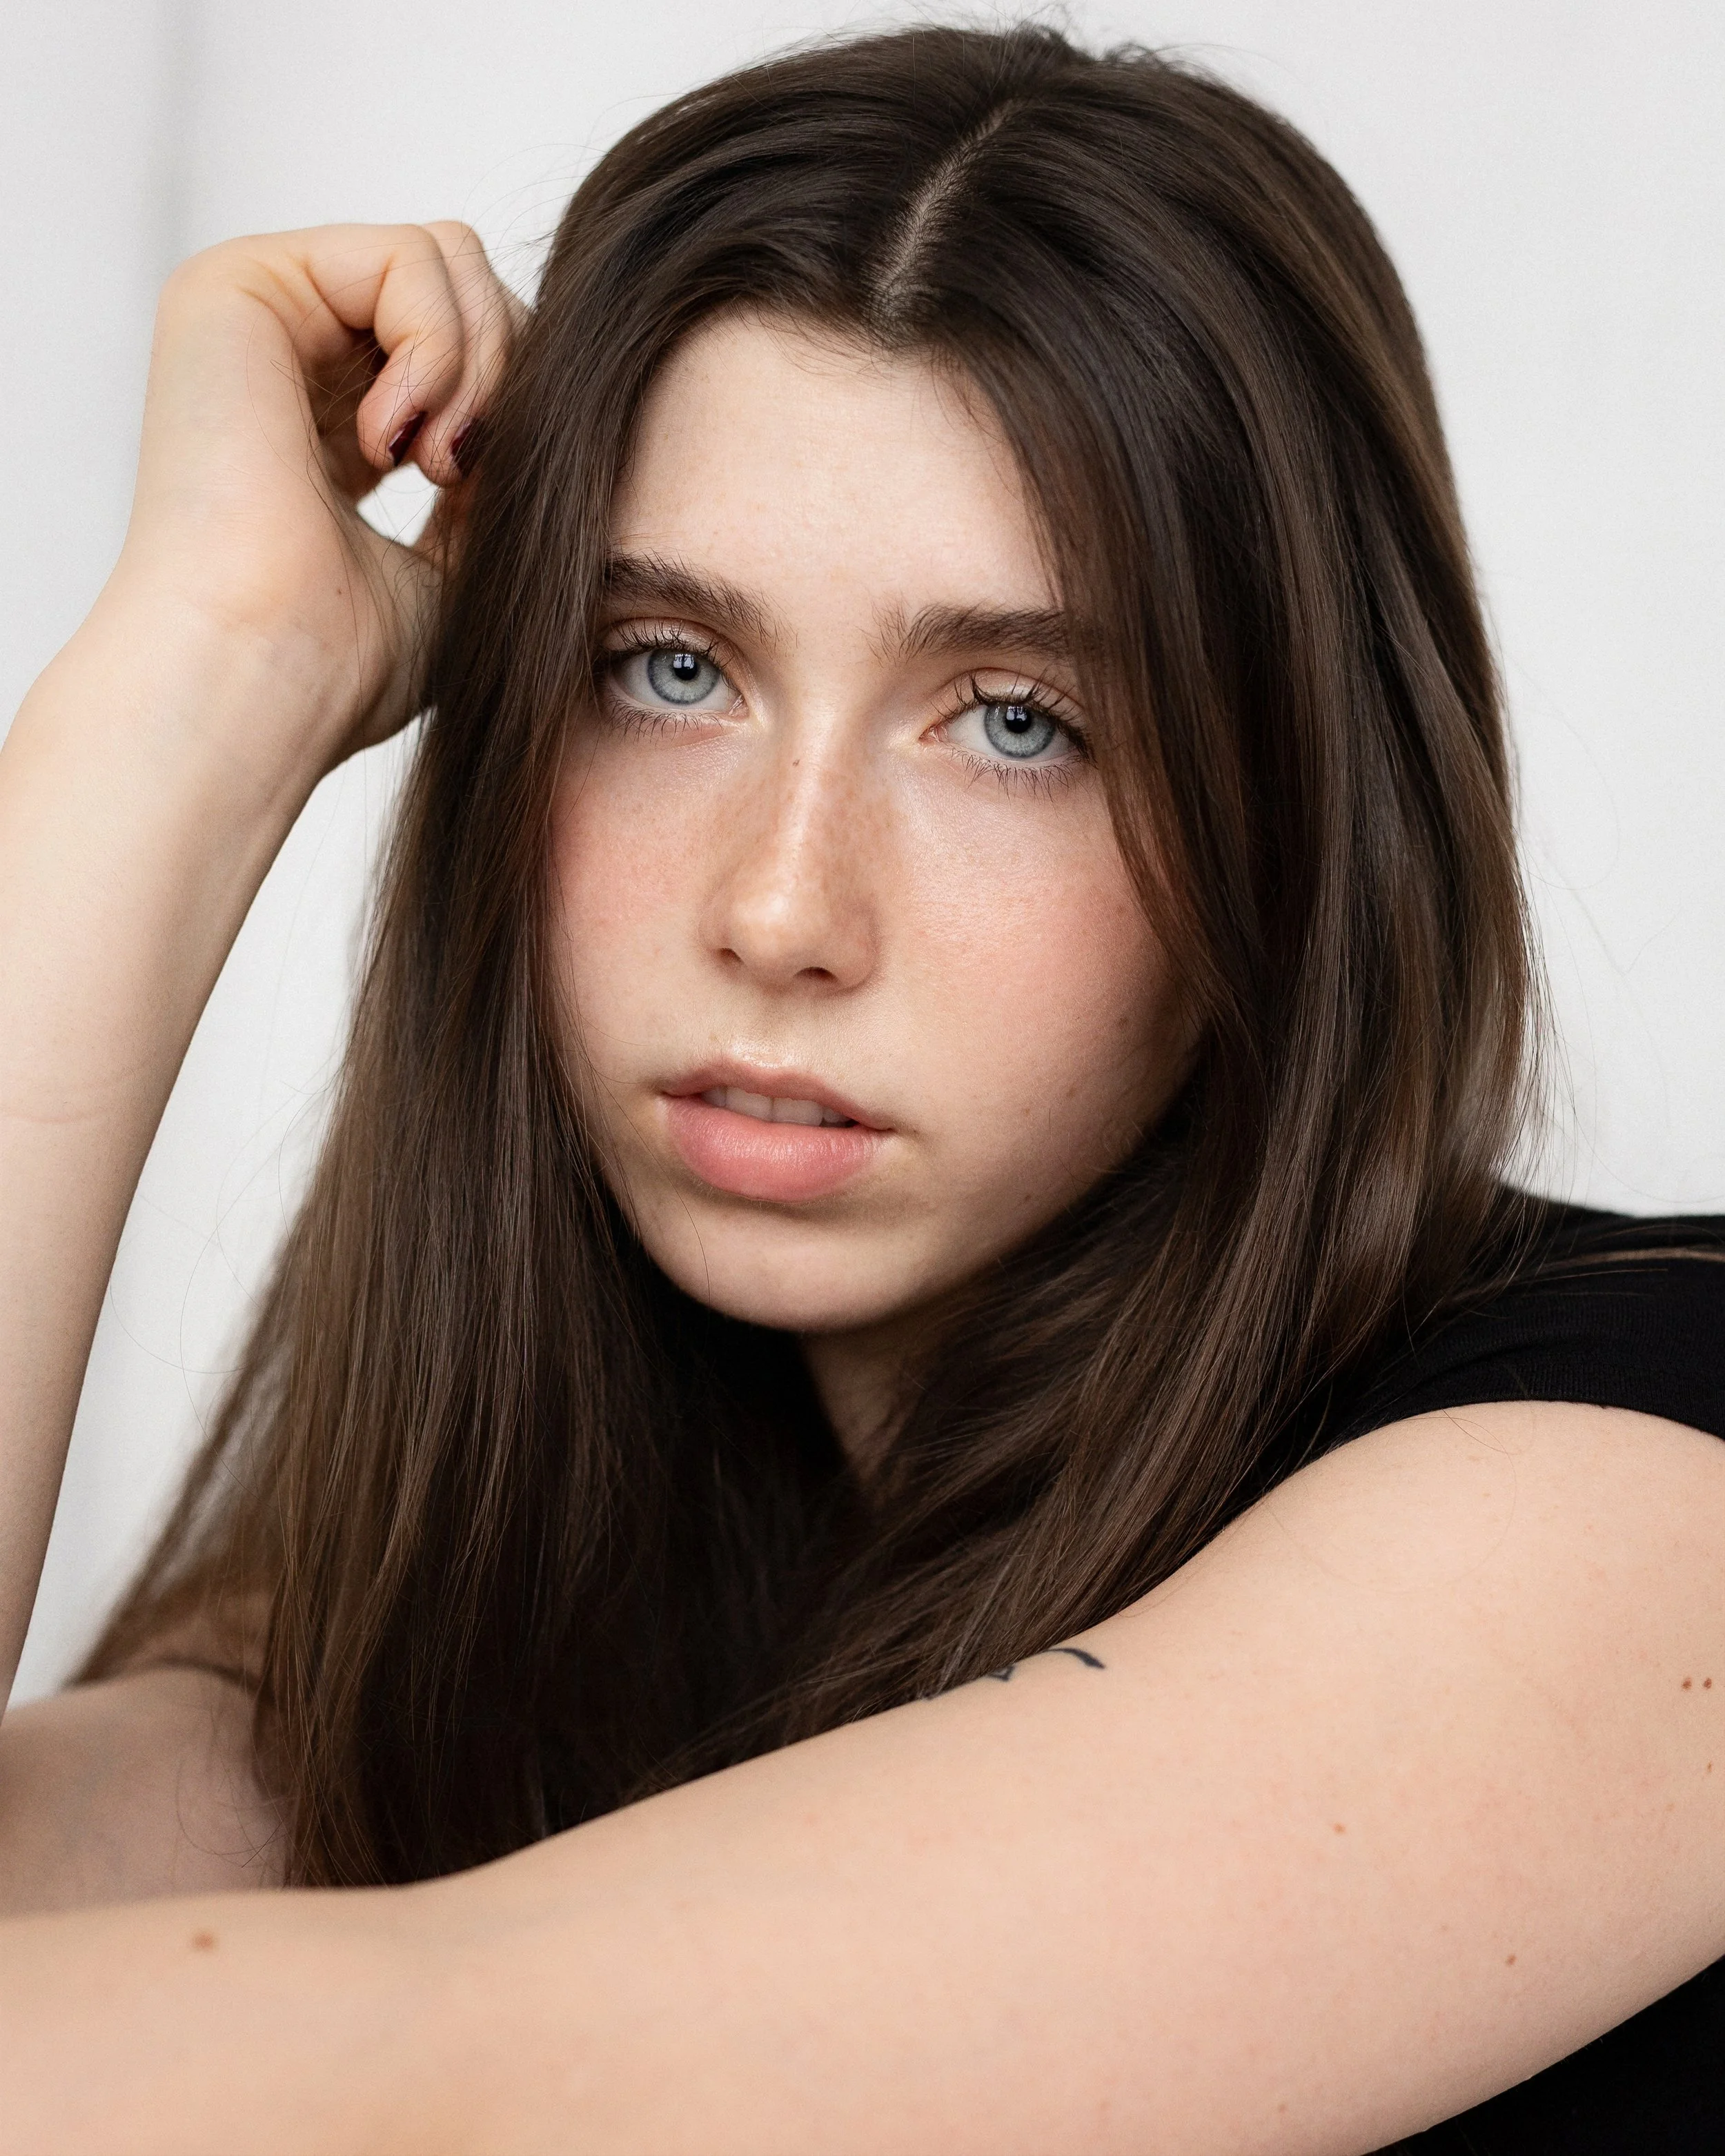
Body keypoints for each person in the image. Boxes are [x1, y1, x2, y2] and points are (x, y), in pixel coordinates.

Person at [1, 21, 1722, 2152]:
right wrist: (198, 672)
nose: (781, 908)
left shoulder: (1654, 1478)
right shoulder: (475, 1640)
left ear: (1293, 825)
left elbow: (440, 2085)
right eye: (668, 669)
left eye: (1013, 721)